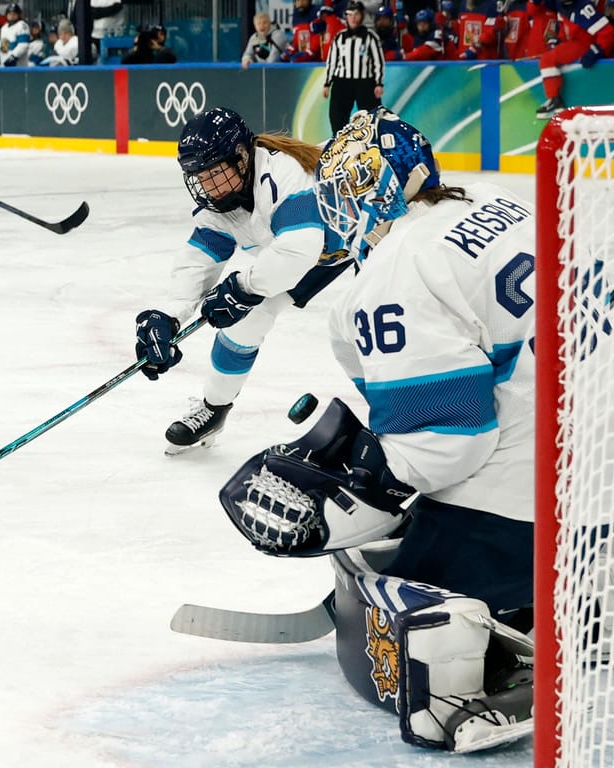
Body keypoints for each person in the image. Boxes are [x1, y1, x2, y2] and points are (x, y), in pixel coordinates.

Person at [218, 107, 536, 752]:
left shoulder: (395, 272)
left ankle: (506, 658)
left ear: (372, 192)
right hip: (593, 439)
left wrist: (367, 484)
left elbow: (450, 441)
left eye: (342, 196)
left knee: (400, 596)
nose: (337, 214)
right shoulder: (496, 199)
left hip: (553, 494)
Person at [133, 107, 349, 454]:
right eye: (199, 177)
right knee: (245, 323)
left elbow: (299, 248)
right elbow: (199, 261)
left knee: (364, 326)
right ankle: (214, 409)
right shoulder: (223, 201)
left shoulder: (282, 174)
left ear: (242, 157)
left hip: (367, 236)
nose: (208, 187)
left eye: (214, 173)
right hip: (314, 253)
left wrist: (242, 288)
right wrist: (169, 314)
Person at [530, 0, 614, 118]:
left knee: (547, 60)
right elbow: (536, 8)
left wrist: (596, 50)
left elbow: (608, 32)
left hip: (585, 44)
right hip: (576, 42)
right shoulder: (559, 4)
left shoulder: (583, 7)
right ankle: (555, 101)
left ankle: (555, 101)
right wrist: (561, 40)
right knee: (547, 59)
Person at [322, 1, 386, 133]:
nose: (353, 18)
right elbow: (332, 61)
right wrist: (327, 83)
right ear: (346, 16)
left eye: (356, 14)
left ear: (361, 16)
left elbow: (378, 61)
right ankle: (339, 143)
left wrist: (379, 83)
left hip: (365, 82)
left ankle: (372, 142)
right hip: (342, 81)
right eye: (350, 14)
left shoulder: (370, 37)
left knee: (372, 117)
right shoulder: (339, 37)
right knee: (337, 117)